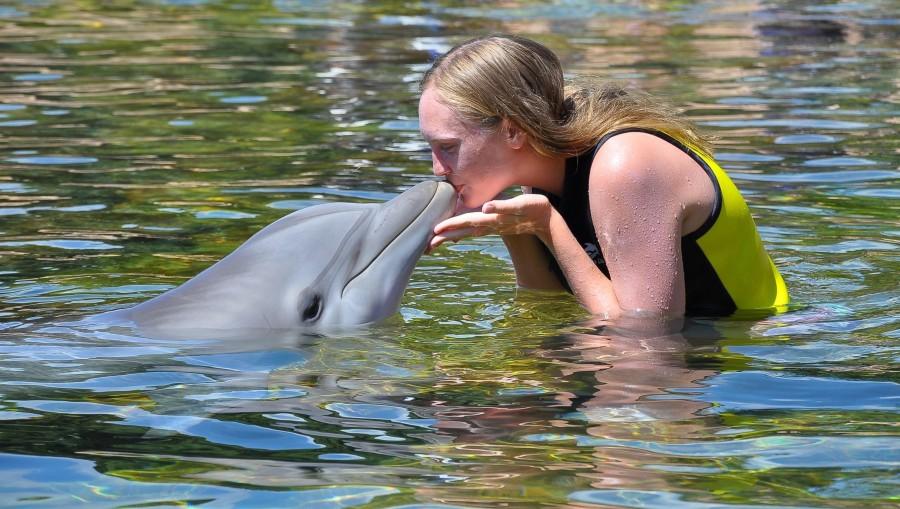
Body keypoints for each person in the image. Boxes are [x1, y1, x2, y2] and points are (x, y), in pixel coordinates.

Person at [420, 34, 788, 319]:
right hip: (697, 354)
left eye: (449, 147)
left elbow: (646, 331)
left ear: (514, 132)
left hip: (757, 356)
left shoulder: (626, 165)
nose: (438, 168)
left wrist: (548, 225)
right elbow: (546, 307)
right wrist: (514, 230)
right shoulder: (538, 171)